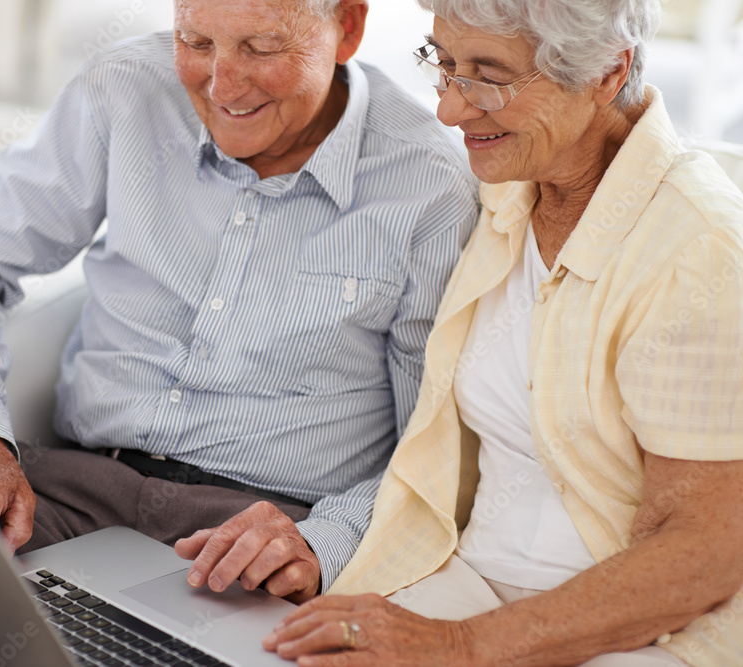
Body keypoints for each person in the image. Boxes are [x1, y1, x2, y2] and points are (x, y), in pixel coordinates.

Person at [0, 0, 478, 664]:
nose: (222, 86)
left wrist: (323, 544)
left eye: (260, 46)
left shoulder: (428, 188)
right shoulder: (124, 90)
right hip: (63, 494)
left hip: (249, 540)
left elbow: (434, 440)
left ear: (346, 26)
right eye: (196, 40)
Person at [263, 0, 743, 665]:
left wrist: (458, 646)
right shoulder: (510, 189)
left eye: (489, 76)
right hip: (468, 573)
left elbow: (704, 551)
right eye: (445, 64)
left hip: (645, 629)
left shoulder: (701, 249)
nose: (450, 110)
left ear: (608, 71)